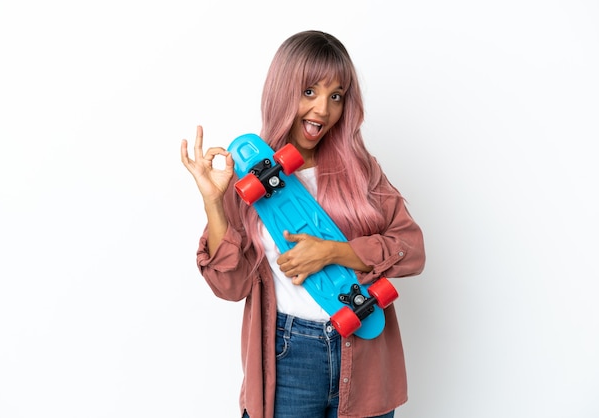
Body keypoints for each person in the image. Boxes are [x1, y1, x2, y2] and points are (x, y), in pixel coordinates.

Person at [181, 30, 425, 418]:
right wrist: (214, 202)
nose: (323, 111)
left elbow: (412, 250)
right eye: (309, 91)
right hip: (286, 357)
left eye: (336, 96)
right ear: (282, 90)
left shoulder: (361, 172)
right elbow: (231, 286)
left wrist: (334, 252)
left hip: (364, 358)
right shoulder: (247, 180)